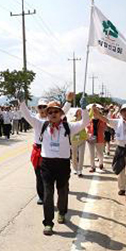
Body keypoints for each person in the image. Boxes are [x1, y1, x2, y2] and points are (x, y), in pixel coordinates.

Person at [22, 96, 89, 236]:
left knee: (63, 191)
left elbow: (85, 122)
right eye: (50, 112)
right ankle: (48, 223)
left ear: (61, 114)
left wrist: (84, 109)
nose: (53, 114)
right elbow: (27, 115)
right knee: (48, 194)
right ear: (47, 114)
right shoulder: (41, 125)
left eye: (56, 112)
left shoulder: (68, 126)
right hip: (47, 164)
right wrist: (21, 102)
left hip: (63, 164)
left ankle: (62, 212)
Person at [20, 95, 72, 206]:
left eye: (45, 106)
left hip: (50, 152)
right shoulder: (36, 119)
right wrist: (22, 103)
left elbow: (64, 111)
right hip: (38, 149)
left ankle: (55, 198)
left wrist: (68, 101)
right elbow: (26, 115)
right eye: (40, 107)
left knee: (49, 177)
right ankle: (41, 195)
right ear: (37, 108)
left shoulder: (54, 117)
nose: (43, 109)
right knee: (38, 175)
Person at [86, 104, 107, 172]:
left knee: (100, 153)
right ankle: (93, 167)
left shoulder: (102, 120)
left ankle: (101, 163)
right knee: (91, 154)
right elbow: (86, 128)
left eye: (96, 112)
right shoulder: (89, 120)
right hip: (91, 138)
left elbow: (104, 127)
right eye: (93, 112)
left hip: (99, 138)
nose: (94, 113)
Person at [69, 108, 87, 177]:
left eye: (80, 111)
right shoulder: (72, 121)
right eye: (78, 111)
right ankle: (75, 169)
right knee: (74, 155)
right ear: (75, 113)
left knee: (81, 155)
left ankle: (80, 170)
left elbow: (90, 117)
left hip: (82, 140)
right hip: (74, 141)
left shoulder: (84, 121)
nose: (79, 112)